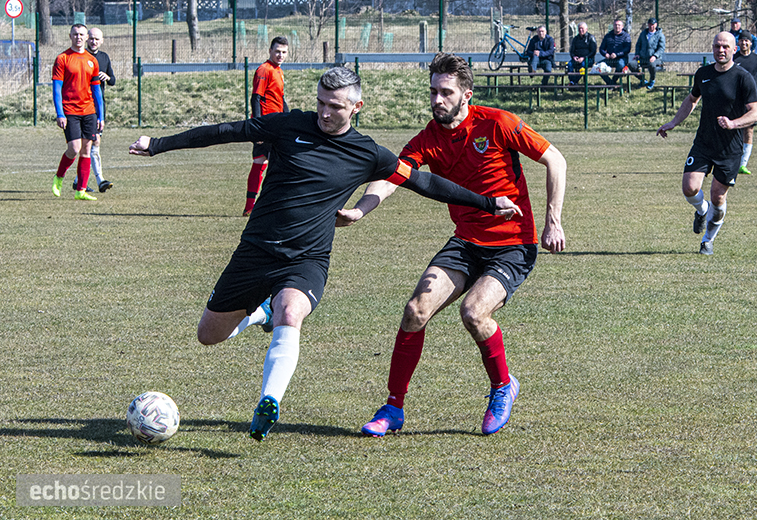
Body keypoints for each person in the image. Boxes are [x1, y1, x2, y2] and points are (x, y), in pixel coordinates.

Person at [128, 67, 522, 442]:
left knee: (291, 311)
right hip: (255, 253)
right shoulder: (289, 125)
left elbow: (424, 182)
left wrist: (488, 203)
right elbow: (226, 131)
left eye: (335, 106)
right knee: (208, 335)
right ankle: (257, 314)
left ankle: (269, 402)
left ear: (356, 108)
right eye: (320, 103)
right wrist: (158, 145)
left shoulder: (368, 154)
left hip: (308, 260)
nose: (325, 113)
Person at [340, 53, 566, 437]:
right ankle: (393, 408)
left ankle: (503, 386)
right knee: (415, 310)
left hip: (513, 243)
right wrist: (361, 210)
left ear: (466, 94)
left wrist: (553, 220)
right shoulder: (429, 138)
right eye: (433, 92)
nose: (436, 100)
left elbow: (555, 160)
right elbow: (394, 176)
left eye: (446, 92)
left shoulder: (497, 123)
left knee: (474, 313)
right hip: (465, 242)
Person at [657, 32, 757, 256]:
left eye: (725, 46)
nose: (720, 50)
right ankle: (702, 210)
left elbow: (756, 113)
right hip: (704, 142)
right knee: (689, 187)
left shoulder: (743, 78)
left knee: (718, 197)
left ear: (734, 50)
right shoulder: (703, 74)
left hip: (730, 149)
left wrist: (733, 124)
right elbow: (692, 99)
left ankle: (708, 240)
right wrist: (674, 122)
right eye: (716, 46)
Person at [51, 24, 104, 201]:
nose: (79, 37)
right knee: (74, 148)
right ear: (70, 36)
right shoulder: (62, 58)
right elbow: (57, 89)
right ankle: (59, 177)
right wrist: (60, 113)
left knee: (87, 149)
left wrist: (101, 116)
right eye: (75, 34)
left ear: (86, 37)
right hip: (70, 110)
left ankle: (81, 191)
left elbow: (97, 91)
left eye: (82, 34)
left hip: (89, 111)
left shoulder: (92, 61)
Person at [244, 36, 289, 217]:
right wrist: (257, 126)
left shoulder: (278, 71)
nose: (280, 55)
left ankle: (258, 206)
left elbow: (280, 98)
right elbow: (256, 98)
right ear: (270, 51)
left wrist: (289, 117)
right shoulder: (264, 69)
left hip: (278, 123)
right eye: (277, 51)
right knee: (264, 163)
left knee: (269, 163)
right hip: (266, 125)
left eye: (284, 52)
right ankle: (252, 206)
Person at [72, 27, 115, 194]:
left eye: (97, 39)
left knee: (92, 143)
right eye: (91, 38)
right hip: (83, 107)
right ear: (86, 39)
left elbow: (113, 80)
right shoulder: (82, 57)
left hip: (98, 107)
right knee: (91, 143)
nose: (94, 41)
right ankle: (100, 180)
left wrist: (108, 77)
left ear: (102, 40)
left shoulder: (104, 58)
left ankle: (79, 181)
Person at [734, 31, 757, 175]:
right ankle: (732, 160)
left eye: (746, 41)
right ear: (738, 43)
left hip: (751, 100)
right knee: (734, 129)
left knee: (749, 130)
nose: (744, 43)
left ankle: (743, 163)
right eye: (741, 40)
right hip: (734, 99)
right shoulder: (733, 58)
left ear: (751, 43)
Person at [628, 18, 665, 90]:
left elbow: (661, 48)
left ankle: (652, 80)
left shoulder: (660, 35)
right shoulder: (643, 34)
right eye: (650, 24)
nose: (651, 26)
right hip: (642, 58)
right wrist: (637, 54)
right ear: (648, 25)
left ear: (656, 25)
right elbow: (638, 45)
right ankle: (643, 80)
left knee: (652, 65)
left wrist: (655, 56)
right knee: (631, 64)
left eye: (653, 25)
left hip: (655, 59)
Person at [599, 19, 632, 85]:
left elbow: (627, 49)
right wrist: (605, 54)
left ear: (622, 26)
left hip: (622, 59)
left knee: (620, 64)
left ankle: (613, 82)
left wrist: (617, 55)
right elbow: (601, 48)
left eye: (619, 25)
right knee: (598, 67)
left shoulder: (626, 36)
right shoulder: (608, 36)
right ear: (613, 26)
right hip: (610, 59)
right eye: (615, 25)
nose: (617, 27)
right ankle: (610, 83)